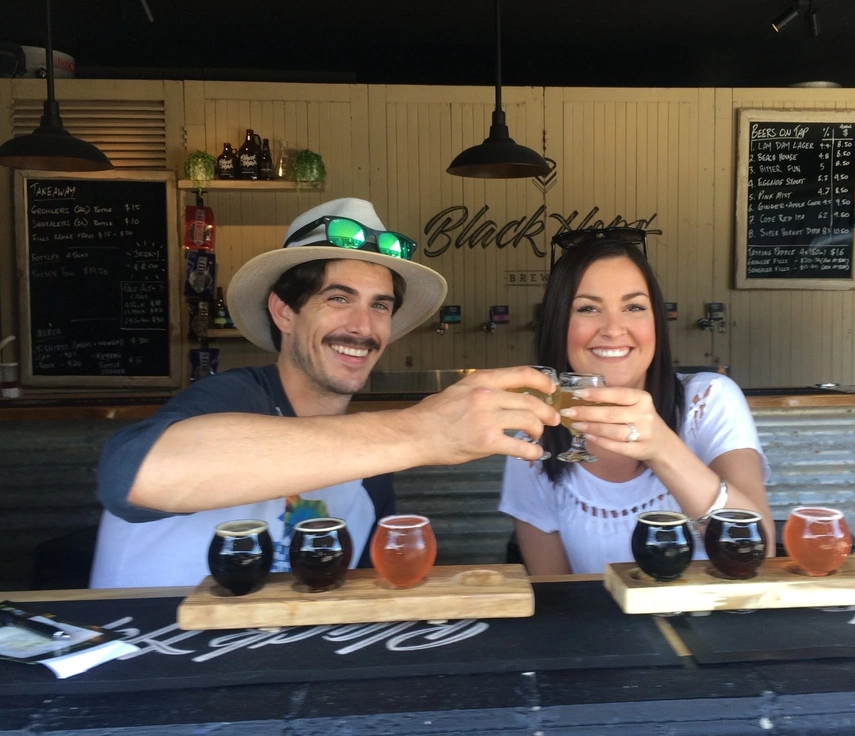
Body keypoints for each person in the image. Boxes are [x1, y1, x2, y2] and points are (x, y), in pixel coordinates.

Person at [91, 198, 559, 588]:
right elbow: (130, 476)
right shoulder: (233, 397)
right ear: (284, 313)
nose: (362, 327)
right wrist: (421, 431)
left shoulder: (372, 461)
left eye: (380, 306)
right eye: (338, 299)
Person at [499, 231, 772, 575]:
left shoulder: (710, 400)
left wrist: (662, 448)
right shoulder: (533, 438)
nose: (614, 329)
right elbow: (557, 596)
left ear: (656, 320)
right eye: (588, 308)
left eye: (633, 307)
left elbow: (759, 548)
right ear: (558, 324)